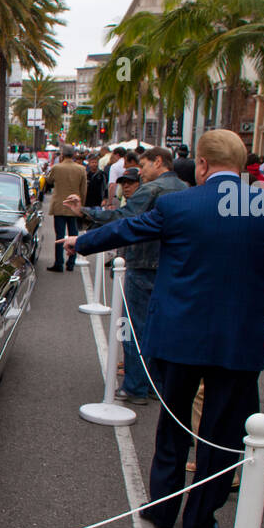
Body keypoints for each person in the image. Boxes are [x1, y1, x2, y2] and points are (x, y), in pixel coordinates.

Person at [63, 129, 264, 528]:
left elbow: (128, 229)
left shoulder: (177, 204)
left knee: (173, 425)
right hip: (238, 342)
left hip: (179, 337)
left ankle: (162, 509)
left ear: (202, 165)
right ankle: (200, 520)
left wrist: (80, 242)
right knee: (222, 432)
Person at [65, 146, 189, 405]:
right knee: (162, 329)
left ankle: (135, 386)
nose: (141, 173)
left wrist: (85, 215)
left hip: (143, 264)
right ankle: (156, 384)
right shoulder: (185, 189)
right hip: (172, 267)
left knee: (133, 328)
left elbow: (123, 219)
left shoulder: (152, 189)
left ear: (158, 162)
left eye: (143, 167)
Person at [45, 145, 86, 273]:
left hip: (59, 205)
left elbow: (49, 180)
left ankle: (59, 263)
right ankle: (71, 262)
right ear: (73, 155)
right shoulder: (81, 169)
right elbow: (83, 190)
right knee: (74, 235)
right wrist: (81, 206)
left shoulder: (57, 167)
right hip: (74, 205)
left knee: (59, 235)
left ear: (62, 154)